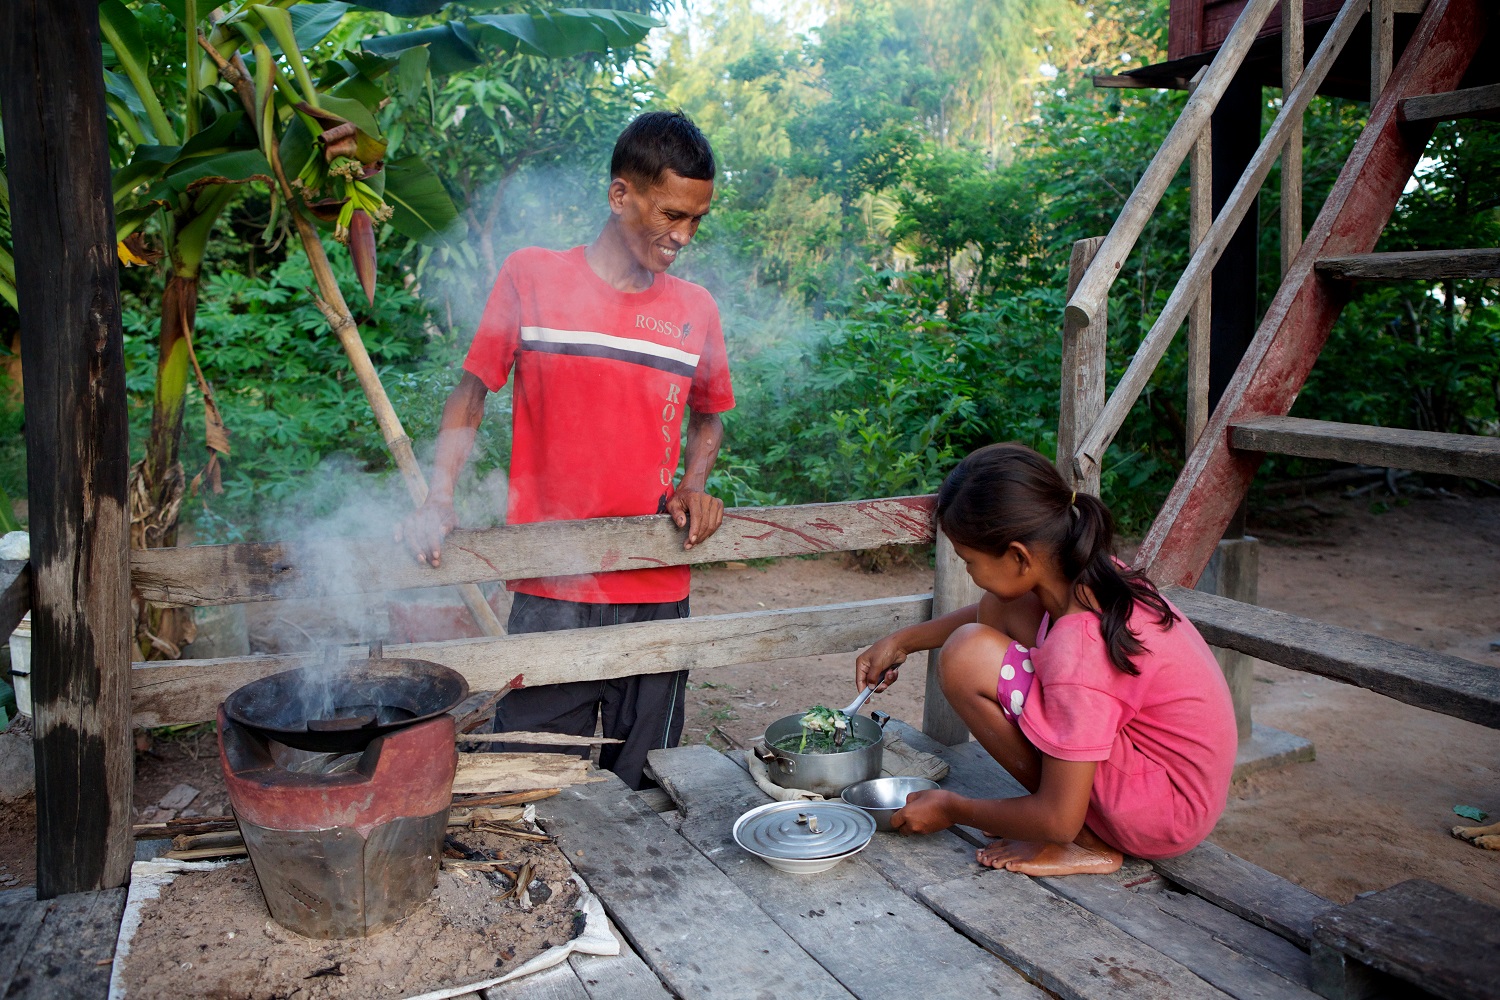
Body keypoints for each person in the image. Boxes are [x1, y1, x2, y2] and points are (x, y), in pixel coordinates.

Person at [396, 110, 735, 790]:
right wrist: (439, 497)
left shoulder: (695, 308)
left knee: (645, 780)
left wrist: (694, 484)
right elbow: (471, 394)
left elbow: (710, 417)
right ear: (620, 195)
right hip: (550, 577)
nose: (684, 236)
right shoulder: (532, 276)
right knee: (530, 777)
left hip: (656, 574)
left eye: (697, 220)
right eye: (671, 214)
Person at [854, 443, 1237, 875]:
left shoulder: (1080, 648)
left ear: (1019, 556)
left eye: (969, 561)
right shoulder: (1087, 572)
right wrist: (903, 641)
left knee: (964, 658)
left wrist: (953, 808)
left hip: (1161, 815)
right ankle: (1066, 814)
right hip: (1167, 781)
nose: (969, 573)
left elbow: (1058, 818)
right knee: (998, 608)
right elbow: (994, 609)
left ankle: (1087, 842)